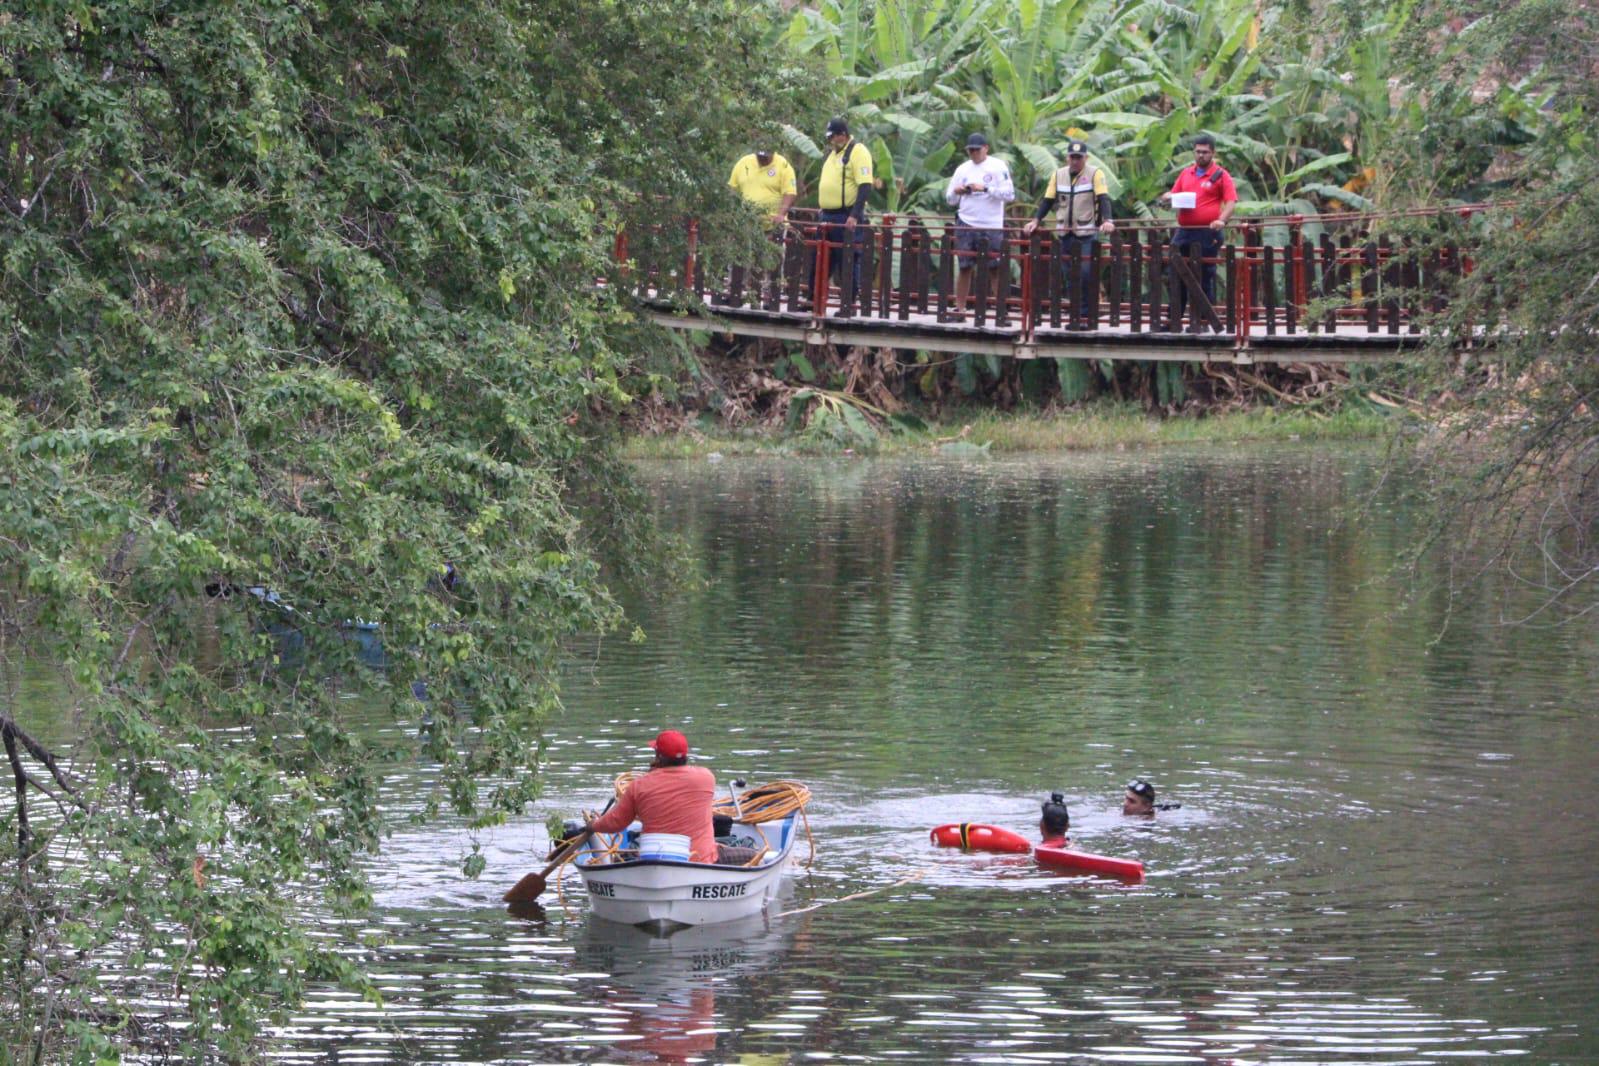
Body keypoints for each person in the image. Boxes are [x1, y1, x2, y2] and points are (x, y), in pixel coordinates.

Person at [585, 730, 719, 863]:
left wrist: (594, 826)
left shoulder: (639, 786)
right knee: (737, 853)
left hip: (655, 860)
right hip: (702, 860)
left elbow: (616, 823)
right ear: (686, 755)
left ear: (658, 756)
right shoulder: (707, 778)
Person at [1024, 140, 1115, 327]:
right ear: (1067, 158)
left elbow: (1103, 198)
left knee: (1086, 274)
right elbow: (1047, 201)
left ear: (1085, 158)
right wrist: (1035, 221)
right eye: (1072, 157)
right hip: (1065, 232)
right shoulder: (1058, 175)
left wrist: (1108, 220)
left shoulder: (1095, 174)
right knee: (1069, 275)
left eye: (1079, 158)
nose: (1075, 161)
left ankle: (1085, 317)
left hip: (1086, 232)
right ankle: (1076, 316)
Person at [1158, 134, 1237, 331]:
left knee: (1203, 275)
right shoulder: (1186, 173)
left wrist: (1222, 220)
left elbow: (1231, 201)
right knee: (1176, 273)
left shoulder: (1221, 175)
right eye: (1198, 152)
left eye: (1205, 152)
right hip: (1185, 230)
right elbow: (1172, 195)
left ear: (1213, 153)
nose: (1201, 155)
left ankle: (1202, 322)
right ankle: (1172, 321)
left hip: (1207, 231)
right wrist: (1167, 197)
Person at [943, 133, 1015, 320]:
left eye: (977, 149)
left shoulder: (998, 166)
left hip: (991, 224)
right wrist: (958, 191)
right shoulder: (962, 169)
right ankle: (959, 310)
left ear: (986, 148)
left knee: (995, 268)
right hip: (966, 222)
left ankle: (1001, 311)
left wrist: (984, 188)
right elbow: (950, 199)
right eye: (971, 150)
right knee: (965, 267)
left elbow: (1009, 195)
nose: (974, 153)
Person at [817, 116, 874, 316]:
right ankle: (813, 302)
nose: (831, 140)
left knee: (848, 259)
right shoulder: (834, 153)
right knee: (823, 259)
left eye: (833, 136)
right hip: (828, 216)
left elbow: (865, 185)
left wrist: (855, 215)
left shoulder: (858, 152)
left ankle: (848, 305)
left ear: (843, 135)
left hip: (845, 216)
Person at [727, 147, 798, 224]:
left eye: (765, 157)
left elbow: (790, 193)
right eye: (760, 156)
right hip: (747, 224)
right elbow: (732, 189)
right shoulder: (743, 163)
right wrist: (732, 211)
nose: (762, 159)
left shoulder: (784, 165)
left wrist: (781, 215)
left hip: (774, 224)